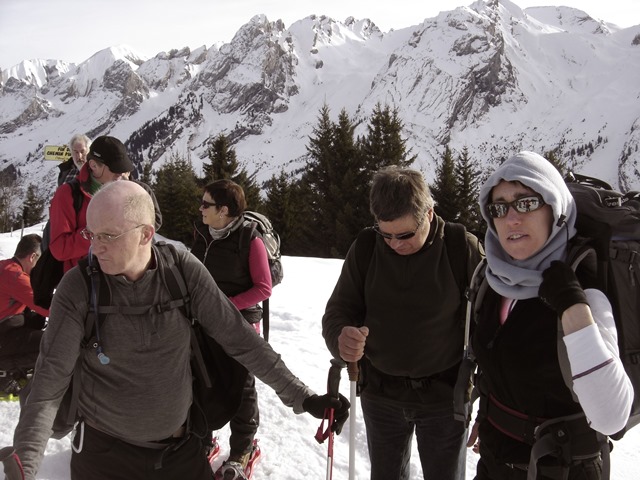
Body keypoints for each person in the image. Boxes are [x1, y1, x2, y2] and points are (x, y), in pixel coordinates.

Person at [4, 180, 348, 480]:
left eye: (108, 236)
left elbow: (240, 339)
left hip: (179, 452)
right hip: (102, 458)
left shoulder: (181, 272)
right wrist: (26, 463)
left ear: (146, 234)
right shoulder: (77, 288)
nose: (96, 247)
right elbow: (50, 382)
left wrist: (302, 397)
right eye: (91, 234)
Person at [467, 151, 633, 479]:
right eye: (499, 208)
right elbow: (499, 364)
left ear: (554, 209)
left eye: (526, 203)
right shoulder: (494, 278)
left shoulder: (584, 290)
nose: (511, 219)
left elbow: (612, 417)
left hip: (562, 468)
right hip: (495, 460)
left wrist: (572, 307)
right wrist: (488, 415)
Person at [322, 166, 484, 480]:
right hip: (381, 393)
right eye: (387, 234)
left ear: (429, 213)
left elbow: (487, 325)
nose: (395, 243)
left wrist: (485, 397)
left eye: (406, 234)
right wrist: (340, 337)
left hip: (445, 397)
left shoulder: (459, 247)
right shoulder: (368, 247)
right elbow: (339, 310)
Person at [191, 179, 271, 478]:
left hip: (239, 325)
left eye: (206, 204)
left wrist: (226, 305)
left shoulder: (250, 240)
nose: (201, 209)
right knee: (201, 380)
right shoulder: (202, 234)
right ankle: (202, 439)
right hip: (204, 323)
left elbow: (263, 287)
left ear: (223, 210)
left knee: (241, 386)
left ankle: (243, 449)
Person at [48, 135, 162, 273]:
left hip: (133, 278)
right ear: (94, 166)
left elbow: (152, 222)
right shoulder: (67, 194)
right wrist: (100, 233)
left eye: (123, 169)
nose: (121, 175)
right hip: (89, 283)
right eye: (115, 170)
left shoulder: (135, 189)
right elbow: (60, 249)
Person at [0, 234, 49, 396]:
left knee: (36, 320)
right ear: (32, 256)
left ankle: (15, 368)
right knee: (51, 344)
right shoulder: (16, 276)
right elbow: (47, 307)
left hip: (6, 326)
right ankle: (4, 372)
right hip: (3, 334)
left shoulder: (6, 267)